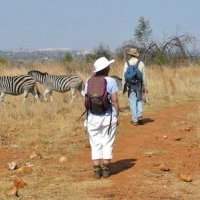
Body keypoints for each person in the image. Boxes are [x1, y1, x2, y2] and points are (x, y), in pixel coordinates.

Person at [83, 57, 119, 179]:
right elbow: (114, 100)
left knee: (95, 143)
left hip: (92, 117)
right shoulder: (111, 81)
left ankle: (96, 170)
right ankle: (106, 170)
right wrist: (116, 115)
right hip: (108, 117)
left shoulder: (89, 81)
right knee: (107, 142)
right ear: (106, 68)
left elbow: (86, 100)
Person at [122, 48, 148, 125]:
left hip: (130, 86)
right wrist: (145, 86)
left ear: (130, 55)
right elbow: (144, 76)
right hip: (139, 85)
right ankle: (139, 116)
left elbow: (124, 76)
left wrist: (124, 86)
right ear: (136, 55)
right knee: (139, 100)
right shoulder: (141, 63)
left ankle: (134, 120)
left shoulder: (127, 63)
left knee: (132, 102)